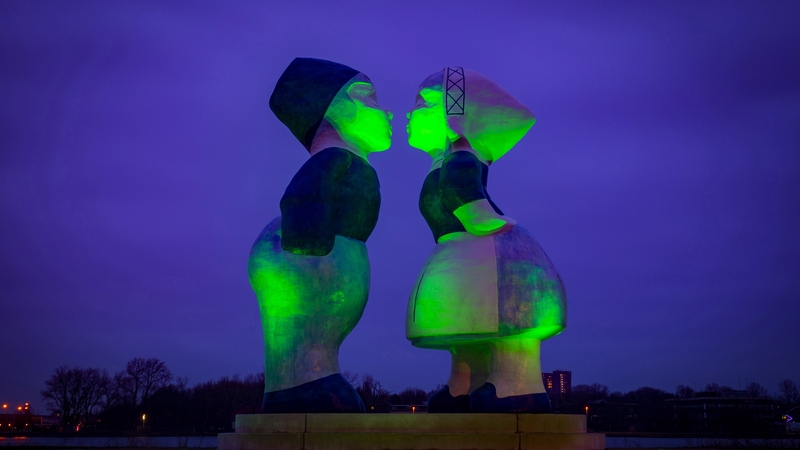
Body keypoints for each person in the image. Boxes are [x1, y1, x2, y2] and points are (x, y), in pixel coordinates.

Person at [405, 67, 566, 413]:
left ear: (455, 113)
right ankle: (466, 382)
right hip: (464, 252)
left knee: (504, 318)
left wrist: (487, 220)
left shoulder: (461, 160)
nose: (409, 114)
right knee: (471, 320)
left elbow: (465, 196)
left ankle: (517, 384)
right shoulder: (446, 160)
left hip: (491, 252)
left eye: (423, 104)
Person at [249, 57, 392, 413]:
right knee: (303, 333)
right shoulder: (333, 159)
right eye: (370, 99)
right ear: (335, 110)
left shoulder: (345, 160)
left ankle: (304, 378)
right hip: (312, 256)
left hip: (331, 253)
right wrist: (311, 249)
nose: (387, 113)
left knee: (311, 336)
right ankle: (303, 383)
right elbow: (299, 197)